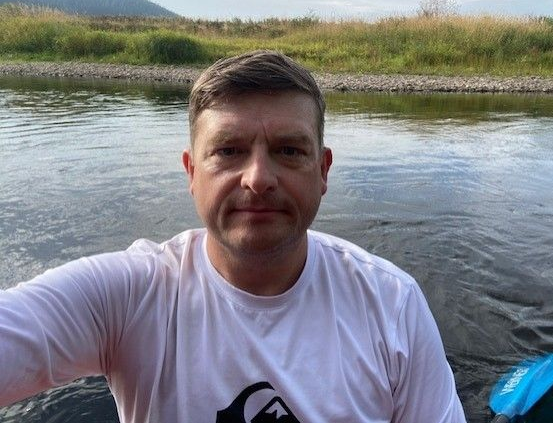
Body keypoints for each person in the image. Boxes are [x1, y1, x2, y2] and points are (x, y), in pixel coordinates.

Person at [0, 50, 466, 422]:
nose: (258, 178)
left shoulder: (392, 304)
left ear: (323, 170)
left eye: (289, 150)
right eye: (228, 150)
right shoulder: (130, 297)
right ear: (191, 172)